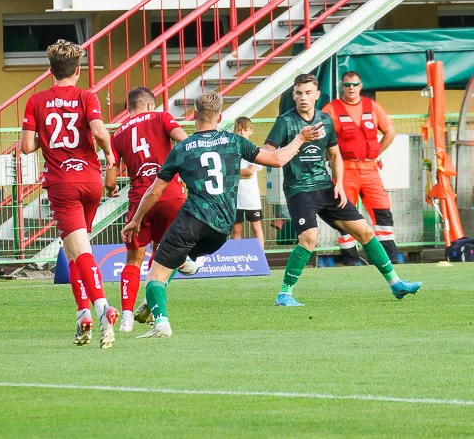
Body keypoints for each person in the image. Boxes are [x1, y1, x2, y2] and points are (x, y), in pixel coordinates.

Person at [122, 91, 319, 338]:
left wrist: (136, 219)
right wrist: (300, 138)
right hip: (221, 229)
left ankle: (161, 321)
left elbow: (154, 191)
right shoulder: (234, 141)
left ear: (194, 115)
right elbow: (278, 159)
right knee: (176, 258)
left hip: (193, 218)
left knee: (155, 274)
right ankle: (174, 278)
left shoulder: (182, 148)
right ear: (220, 117)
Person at [264, 74, 421, 307]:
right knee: (309, 238)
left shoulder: (325, 120)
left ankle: (396, 284)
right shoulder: (285, 122)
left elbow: (335, 154)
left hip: (327, 187)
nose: (303, 97)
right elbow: (268, 153)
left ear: (317, 95)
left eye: (308, 93)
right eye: (299, 93)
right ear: (293, 95)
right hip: (299, 189)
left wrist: (338, 182)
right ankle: (284, 294)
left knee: (366, 232)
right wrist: (294, 144)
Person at [21, 39, 119, 349]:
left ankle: (102, 308)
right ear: (77, 71)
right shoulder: (86, 96)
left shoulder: (35, 101)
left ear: (51, 70)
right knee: (75, 249)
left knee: (80, 250)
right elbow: (101, 132)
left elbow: (26, 147)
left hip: (63, 183)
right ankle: (82, 315)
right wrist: (110, 158)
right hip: (90, 180)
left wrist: (47, 137)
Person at [104, 87, 189, 333]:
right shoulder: (161, 117)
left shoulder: (117, 133)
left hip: (139, 200)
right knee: (165, 254)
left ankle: (127, 318)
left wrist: (111, 189)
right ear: (151, 105)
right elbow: (183, 139)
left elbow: (110, 179)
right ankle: (153, 306)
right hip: (169, 194)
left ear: (128, 109)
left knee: (133, 260)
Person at [321, 71, 399, 265]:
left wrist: (376, 152)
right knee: (345, 211)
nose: (351, 88)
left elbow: (390, 132)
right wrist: (330, 160)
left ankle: (388, 257)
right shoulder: (332, 109)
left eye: (355, 84)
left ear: (361, 85)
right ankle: (350, 258)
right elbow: (322, 138)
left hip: (370, 168)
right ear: (342, 86)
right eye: (347, 84)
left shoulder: (371, 106)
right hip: (345, 168)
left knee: (382, 210)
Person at [231, 117, 265, 247]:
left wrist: (234, 172)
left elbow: (250, 172)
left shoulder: (254, 150)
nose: (241, 133)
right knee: (236, 228)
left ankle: (261, 257)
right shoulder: (232, 151)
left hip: (251, 198)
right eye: (239, 130)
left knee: (256, 227)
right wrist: (241, 172)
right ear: (235, 131)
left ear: (251, 131)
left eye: (245, 130)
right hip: (236, 197)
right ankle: (236, 256)